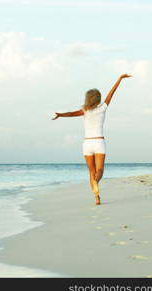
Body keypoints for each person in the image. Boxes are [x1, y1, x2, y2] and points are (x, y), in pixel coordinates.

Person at [52, 74, 132, 205]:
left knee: (91, 171)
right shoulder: (103, 108)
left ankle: (97, 197)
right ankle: (96, 182)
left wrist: (60, 115)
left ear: (88, 99)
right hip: (99, 142)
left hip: (87, 143)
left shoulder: (84, 110)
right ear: (98, 98)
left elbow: (71, 114)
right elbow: (112, 92)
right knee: (99, 171)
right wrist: (120, 79)